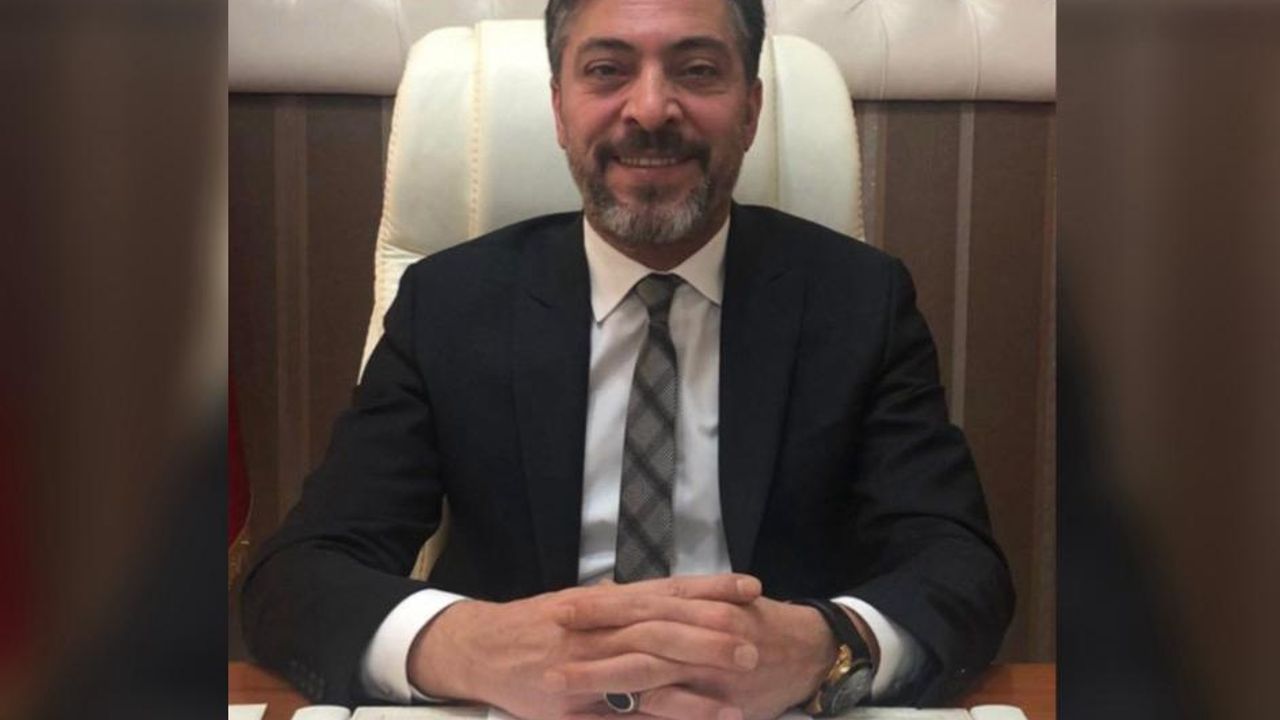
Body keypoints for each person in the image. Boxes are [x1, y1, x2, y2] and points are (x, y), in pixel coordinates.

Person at [241, 1, 1014, 718]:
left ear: (751, 109)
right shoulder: (449, 302)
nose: (650, 109)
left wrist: (825, 649)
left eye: (697, 70)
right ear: (558, 108)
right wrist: (465, 648)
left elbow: (958, 566)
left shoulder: (859, 300)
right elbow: (301, 571)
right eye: (607, 70)